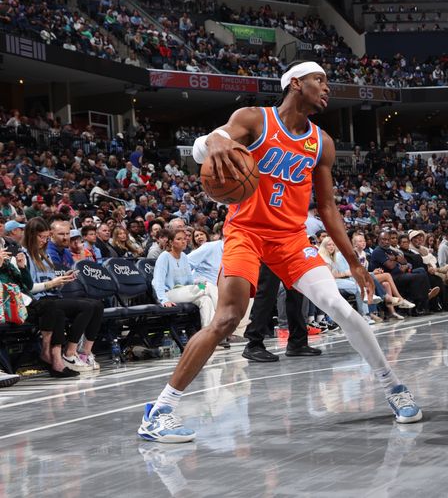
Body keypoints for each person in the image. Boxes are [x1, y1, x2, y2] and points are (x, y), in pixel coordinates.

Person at [139, 61, 422, 443]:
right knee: (226, 318)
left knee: (339, 306)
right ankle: (159, 411)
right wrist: (212, 141)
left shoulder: (322, 142)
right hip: (246, 232)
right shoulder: (255, 119)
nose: (326, 88)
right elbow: (204, 145)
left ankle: (393, 387)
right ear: (294, 83)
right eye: (319, 80)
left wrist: (355, 262)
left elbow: (327, 209)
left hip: (290, 239)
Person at [22, 218, 104, 376]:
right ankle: (69, 354)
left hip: (53, 296)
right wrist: (53, 284)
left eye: (46, 237)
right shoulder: (23, 256)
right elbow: (29, 288)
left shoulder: (45, 256)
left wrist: (63, 280)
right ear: (31, 235)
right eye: (41, 237)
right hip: (38, 302)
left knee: (97, 305)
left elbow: (53, 284)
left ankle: (85, 353)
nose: (44, 240)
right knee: (85, 307)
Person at [242, 263, 320, 362]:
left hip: (290, 252)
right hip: (269, 251)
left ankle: (298, 343)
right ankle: (254, 344)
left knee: (296, 294)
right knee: (267, 292)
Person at [152, 228, 218, 328]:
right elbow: (158, 281)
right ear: (171, 242)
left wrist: (198, 284)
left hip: (185, 291)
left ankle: (210, 334)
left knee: (205, 299)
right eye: (179, 239)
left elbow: (189, 281)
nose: (183, 241)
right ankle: (224, 316)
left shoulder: (183, 256)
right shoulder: (164, 257)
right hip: (168, 294)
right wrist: (163, 300)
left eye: (184, 238)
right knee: (208, 287)